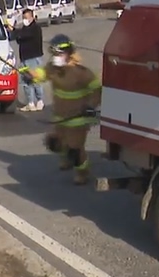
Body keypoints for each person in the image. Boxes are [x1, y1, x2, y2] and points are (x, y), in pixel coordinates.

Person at [23, 34, 101, 185]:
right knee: (55, 142)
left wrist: (91, 105)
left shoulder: (81, 72)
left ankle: (82, 172)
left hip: (78, 117)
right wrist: (30, 75)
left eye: (60, 54)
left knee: (75, 148)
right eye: (54, 54)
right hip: (60, 115)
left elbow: (97, 90)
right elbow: (42, 74)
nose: (56, 57)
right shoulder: (53, 68)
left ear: (69, 53)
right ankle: (66, 160)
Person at [12, 6, 45, 111]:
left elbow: (25, 36)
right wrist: (15, 32)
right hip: (24, 58)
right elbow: (19, 39)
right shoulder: (24, 29)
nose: (25, 20)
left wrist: (15, 31)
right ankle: (30, 103)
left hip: (33, 58)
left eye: (27, 18)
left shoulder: (35, 28)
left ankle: (40, 101)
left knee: (35, 80)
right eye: (24, 18)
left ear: (32, 17)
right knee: (26, 82)